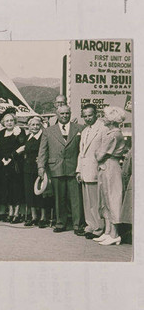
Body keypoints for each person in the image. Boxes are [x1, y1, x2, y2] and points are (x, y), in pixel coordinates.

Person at [37, 105, 85, 234]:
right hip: (56, 168)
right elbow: (43, 150)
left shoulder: (79, 128)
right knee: (59, 198)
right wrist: (41, 166)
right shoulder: (48, 131)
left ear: (70, 114)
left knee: (76, 199)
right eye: (62, 114)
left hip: (74, 168)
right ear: (57, 115)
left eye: (67, 113)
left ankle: (77, 225)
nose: (64, 116)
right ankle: (60, 223)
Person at [93, 106, 127, 246]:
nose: (103, 118)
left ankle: (115, 234)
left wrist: (98, 152)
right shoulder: (110, 133)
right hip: (106, 167)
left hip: (111, 167)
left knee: (112, 198)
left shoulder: (113, 135)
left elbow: (99, 155)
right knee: (105, 198)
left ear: (112, 119)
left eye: (105, 116)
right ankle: (107, 231)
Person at [75, 104, 108, 239]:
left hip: (96, 169)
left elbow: (105, 150)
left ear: (96, 115)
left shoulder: (103, 129)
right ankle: (90, 226)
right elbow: (81, 153)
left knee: (96, 202)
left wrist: (101, 167)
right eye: (85, 116)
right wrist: (78, 171)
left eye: (90, 115)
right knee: (87, 201)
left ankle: (99, 228)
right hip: (84, 170)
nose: (88, 118)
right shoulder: (84, 131)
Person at [0, 113, 26, 223]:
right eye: (7, 121)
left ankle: (16, 213)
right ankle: (10, 212)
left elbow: (22, 147)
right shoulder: (1, 133)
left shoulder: (19, 132)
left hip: (15, 164)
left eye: (11, 120)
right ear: (3, 122)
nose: (9, 122)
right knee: (6, 189)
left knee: (16, 189)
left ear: (14, 121)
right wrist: (2, 160)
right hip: (4, 164)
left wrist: (11, 157)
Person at [23, 116, 51, 227]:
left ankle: (43, 217)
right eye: (32, 125)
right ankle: (34, 216)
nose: (35, 127)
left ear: (41, 126)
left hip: (39, 167)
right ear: (29, 127)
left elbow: (46, 151)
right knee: (29, 192)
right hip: (27, 168)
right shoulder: (28, 137)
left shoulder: (43, 137)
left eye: (37, 125)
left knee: (41, 192)